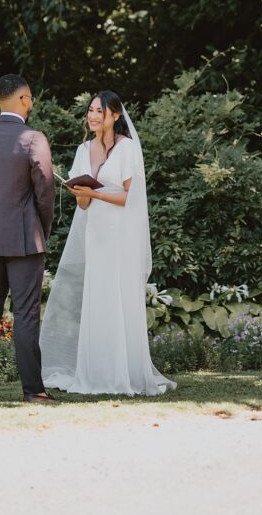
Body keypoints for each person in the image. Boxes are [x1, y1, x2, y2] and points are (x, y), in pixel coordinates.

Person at [40, 91, 176, 395]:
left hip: (122, 235)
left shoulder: (127, 149)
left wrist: (97, 193)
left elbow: (129, 196)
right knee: (98, 298)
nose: (92, 116)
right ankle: (96, 373)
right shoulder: (82, 149)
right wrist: (80, 193)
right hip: (97, 234)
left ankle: (125, 372)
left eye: (98, 111)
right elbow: (85, 207)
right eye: (90, 110)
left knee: (119, 298)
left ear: (114, 115)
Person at [0, 74, 56, 403]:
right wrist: (41, 230)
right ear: (24, 99)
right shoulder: (33, 139)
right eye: (30, 99)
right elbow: (45, 193)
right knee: (26, 313)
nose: (31, 105)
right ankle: (33, 389)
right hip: (23, 238)